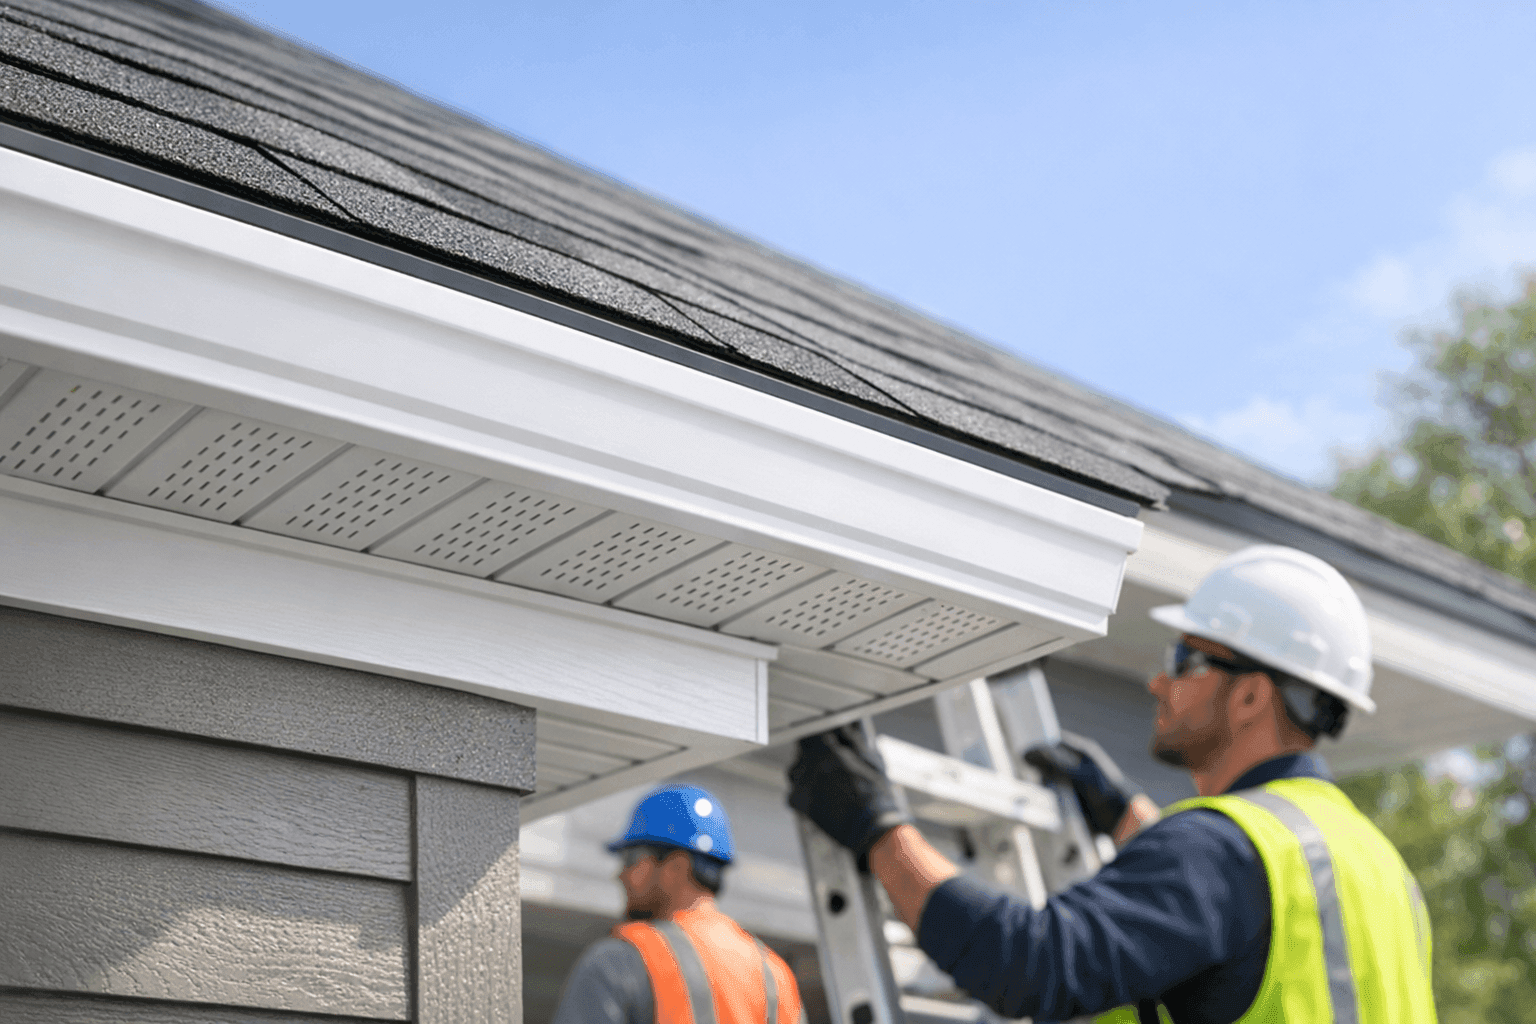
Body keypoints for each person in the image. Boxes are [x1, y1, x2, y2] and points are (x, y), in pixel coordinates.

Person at [788, 545, 1437, 1023]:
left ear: (1249, 697)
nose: (1160, 682)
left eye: (1184, 659)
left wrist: (878, 829)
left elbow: (1030, 966)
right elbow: (1240, 942)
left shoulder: (1220, 851)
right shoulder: (1380, 871)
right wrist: (1128, 817)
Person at [553, 783, 804, 1024]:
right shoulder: (776, 977)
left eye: (631, 859)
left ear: (676, 867)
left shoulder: (620, 962)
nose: (621, 875)